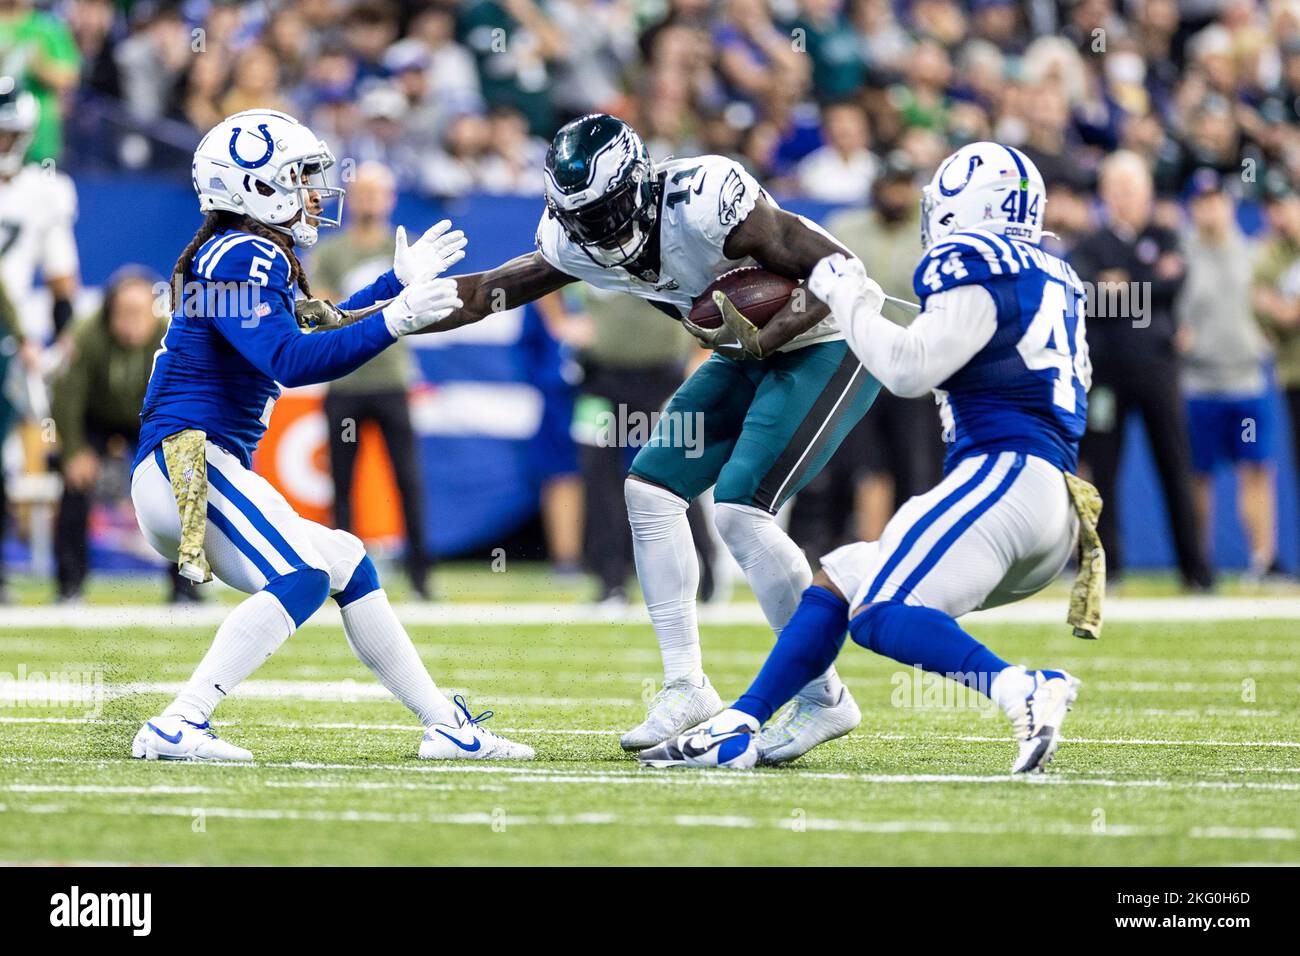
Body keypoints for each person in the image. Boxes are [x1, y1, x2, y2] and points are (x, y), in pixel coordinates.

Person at [417, 113, 881, 764]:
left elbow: (843, 271)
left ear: (638, 186)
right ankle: (688, 686)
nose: (596, 234)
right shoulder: (574, 236)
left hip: (830, 337)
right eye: (581, 219)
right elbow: (487, 293)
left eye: (606, 213)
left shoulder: (708, 200)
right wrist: (373, 317)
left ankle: (820, 698)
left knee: (742, 511)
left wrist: (767, 335)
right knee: (652, 488)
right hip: (748, 351)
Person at [642, 143, 1093, 774]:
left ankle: (1022, 688)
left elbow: (909, 371)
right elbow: (934, 352)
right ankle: (742, 723)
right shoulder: (1053, 272)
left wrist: (844, 292)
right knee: (843, 577)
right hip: (1049, 508)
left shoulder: (973, 257)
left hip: (1002, 478)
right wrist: (854, 304)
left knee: (882, 611)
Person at [129, 108, 532, 762]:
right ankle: (181, 721)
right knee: (303, 577)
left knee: (346, 561)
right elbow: (292, 360)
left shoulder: (248, 253)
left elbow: (315, 325)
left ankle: (445, 728)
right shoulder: (240, 253)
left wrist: (391, 286)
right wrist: (396, 319)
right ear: (254, 187)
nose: (314, 192)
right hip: (189, 460)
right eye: (298, 176)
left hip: (192, 467)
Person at [1072, 151, 1213, 590]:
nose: (1127, 198)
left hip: (1157, 370)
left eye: (1134, 189)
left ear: (1148, 193)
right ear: (1105, 194)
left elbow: (1173, 285)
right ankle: (1107, 570)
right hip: (1106, 375)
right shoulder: (1090, 244)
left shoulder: (1166, 235)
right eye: (1118, 189)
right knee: (1103, 471)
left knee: (1175, 465)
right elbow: (1091, 298)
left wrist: (1126, 286)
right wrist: (1146, 286)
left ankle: (1195, 570)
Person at [310, 161, 432, 599]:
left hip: (392, 379)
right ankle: (342, 577)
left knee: (408, 481)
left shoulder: (405, 249)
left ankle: (421, 576)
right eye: (361, 192)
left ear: (390, 198)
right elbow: (321, 311)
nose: (367, 200)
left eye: (376, 192)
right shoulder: (329, 251)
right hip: (344, 381)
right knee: (342, 485)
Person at [51, 268, 195, 603]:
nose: (131, 322)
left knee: (186, 483)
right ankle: (69, 585)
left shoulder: (173, 337)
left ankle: (185, 586)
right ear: (109, 313)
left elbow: (187, 396)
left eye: (139, 313)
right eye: (123, 313)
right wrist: (74, 451)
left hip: (152, 420)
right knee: (74, 485)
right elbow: (67, 395)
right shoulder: (86, 335)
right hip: (97, 417)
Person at [1176, 169, 1276, 580]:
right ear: (1191, 209)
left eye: (1216, 200)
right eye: (1202, 202)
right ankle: (1201, 562)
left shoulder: (1254, 254)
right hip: (1199, 385)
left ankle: (1263, 560)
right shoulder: (1179, 256)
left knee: (1254, 469)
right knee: (1199, 477)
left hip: (1245, 384)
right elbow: (1151, 305)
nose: (1210, 209)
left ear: (1230, 205)